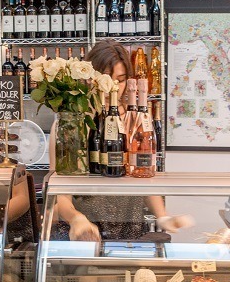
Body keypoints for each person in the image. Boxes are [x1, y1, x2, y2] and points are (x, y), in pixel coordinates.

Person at [50, 40, 183, 242]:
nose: (112, 88)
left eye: (120, 80)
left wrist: (162, 216)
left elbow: (143, 176)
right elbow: (58, 188)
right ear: (88, 78)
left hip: (129, 226)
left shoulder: (134, 120)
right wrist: (76, 218)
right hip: (85, 230)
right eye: (104, 79)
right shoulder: (71, 124)